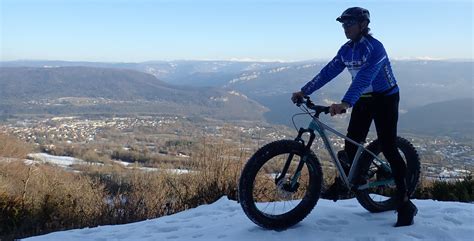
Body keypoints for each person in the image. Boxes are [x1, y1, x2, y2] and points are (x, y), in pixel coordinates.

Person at [291, 7, 417, 227]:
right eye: (343, 25)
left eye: (349, 24)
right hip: (365, 99)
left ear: (362, 25)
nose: (345, 29)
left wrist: (346, 102)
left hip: (386, 98)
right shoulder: (346, 50)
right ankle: (346, 183)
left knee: (388, 147)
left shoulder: (375, 48)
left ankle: (405, 203)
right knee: (351, 145)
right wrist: (305, 91)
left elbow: (365, 76)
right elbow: (328, 71)